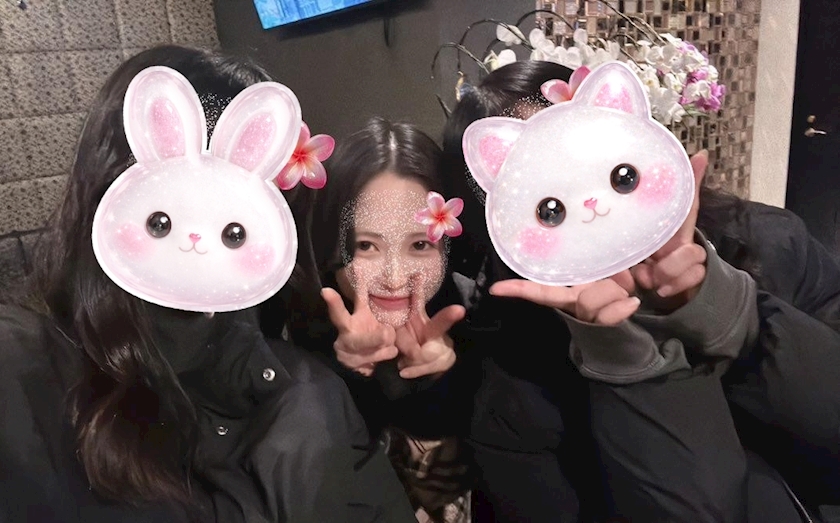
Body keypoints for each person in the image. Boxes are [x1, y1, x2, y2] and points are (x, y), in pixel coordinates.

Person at [0, 45, 415, 523]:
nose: (195, 241)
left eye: (233, 230)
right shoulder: (18, 371)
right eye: (162, 220)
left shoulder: (312, 394)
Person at [441, 58, 840, 523]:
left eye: (616, 174)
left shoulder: (772, 244)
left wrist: (729, 315)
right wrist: (623, 360)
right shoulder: (513, 399)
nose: (594, 208)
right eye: (549, 208)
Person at [287, 117, 474, 522]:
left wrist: (440, 381)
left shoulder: (482, 320)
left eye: (419, 244)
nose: (394, 277)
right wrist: (341, 375)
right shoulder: (285, 343)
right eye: (366, 246)